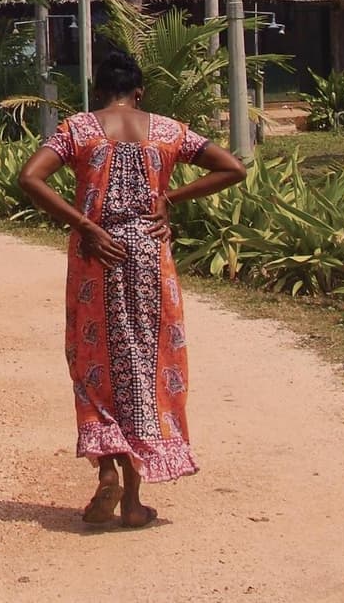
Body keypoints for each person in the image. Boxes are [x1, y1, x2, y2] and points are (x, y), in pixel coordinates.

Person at [17, 44, 247, 529]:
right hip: (148, 257)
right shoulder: (168, 131)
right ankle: (134, 503)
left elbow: (30, 178)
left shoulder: (78, 129)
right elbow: (233, 168)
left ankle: (107, 468)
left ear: (98, 90)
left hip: (96, 256)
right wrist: (170, 198)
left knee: (94, 363)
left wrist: (85, 225)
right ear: (139, 93)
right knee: (142, 367)